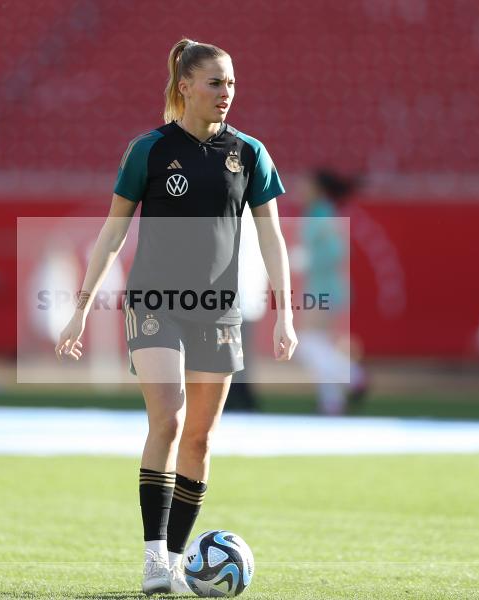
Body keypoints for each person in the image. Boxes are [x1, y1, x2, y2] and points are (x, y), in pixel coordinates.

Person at [54, 38, 297, 595]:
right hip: (155, 304)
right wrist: (81, 309)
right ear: (184, 86)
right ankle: (152, 562)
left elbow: (273, 237)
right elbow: (113, 233)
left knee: (200, 441)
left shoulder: (251, 154)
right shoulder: (149, 150)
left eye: (231, 83)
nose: (226, 93)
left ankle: (179, 561)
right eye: (215, 83)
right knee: (169, 418)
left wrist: (285, 315)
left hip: (219, 311)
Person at [297, 170, 367, 415]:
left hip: (324, 287)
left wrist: (305, 260)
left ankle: (353, 375)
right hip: (323, 286)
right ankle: (332, 402)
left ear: (318, 188)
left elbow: (337, 251)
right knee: (321, 345)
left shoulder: (321, 213)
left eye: (306, 183)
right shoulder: (319, 212)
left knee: (307, 343)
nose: (300, 187)